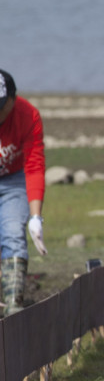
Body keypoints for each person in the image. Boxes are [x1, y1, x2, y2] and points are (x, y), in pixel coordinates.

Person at [0, 69, 47, 315]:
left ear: (12, 99)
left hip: (14, 180)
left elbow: (34, 166)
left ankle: (13, 308)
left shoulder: (28, 115)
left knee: (13, 236)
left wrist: (35, 217)